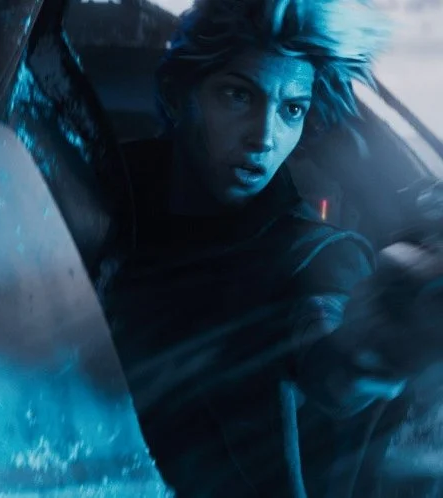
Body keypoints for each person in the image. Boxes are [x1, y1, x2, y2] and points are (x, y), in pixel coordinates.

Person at [97, 0, 443, 496]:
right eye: (238, 96)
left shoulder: (312, 253)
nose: (264, 137)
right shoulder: (106, 186)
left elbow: (330, 368)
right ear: (177, 96)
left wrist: (374, 347)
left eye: (291, 110)